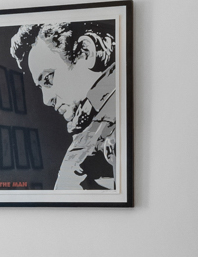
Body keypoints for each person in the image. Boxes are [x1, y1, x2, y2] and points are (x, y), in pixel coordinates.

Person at [8, 19, 119, 190]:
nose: (46, 100)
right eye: (41, 87)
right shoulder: (94, 126)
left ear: (86, 52)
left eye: (48, 78)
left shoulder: (113, 130)